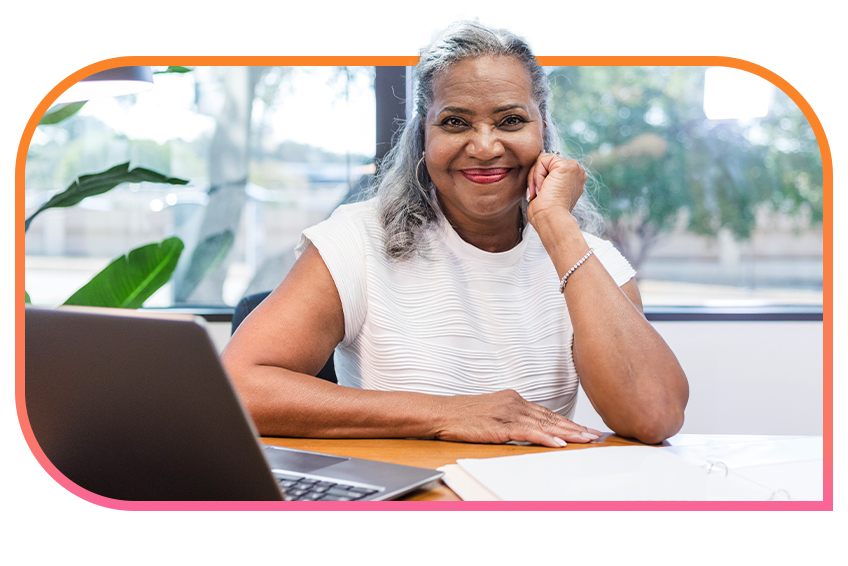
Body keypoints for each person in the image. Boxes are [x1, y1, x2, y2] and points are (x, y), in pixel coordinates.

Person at [222, 21, 689, 446]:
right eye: (455, 122)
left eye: (511, 120)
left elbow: (655, 416)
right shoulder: (357, 239)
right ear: (422, 136)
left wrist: (560, 230)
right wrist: (444, 413)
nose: (485, 146)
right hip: (401, 499)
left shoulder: (593, 261)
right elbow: (239, 387)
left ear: (543, 130)